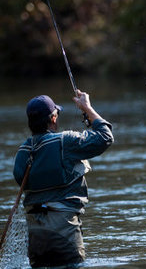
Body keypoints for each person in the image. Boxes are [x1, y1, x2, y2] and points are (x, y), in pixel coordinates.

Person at [13, 90, 114, 268]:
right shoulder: (65, 141)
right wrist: (88, 109)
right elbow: (105, 138)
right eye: (56, 114)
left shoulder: (22, 152)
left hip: (36, 240)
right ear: (53, 118)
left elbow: (20, 178)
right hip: (64, 236)